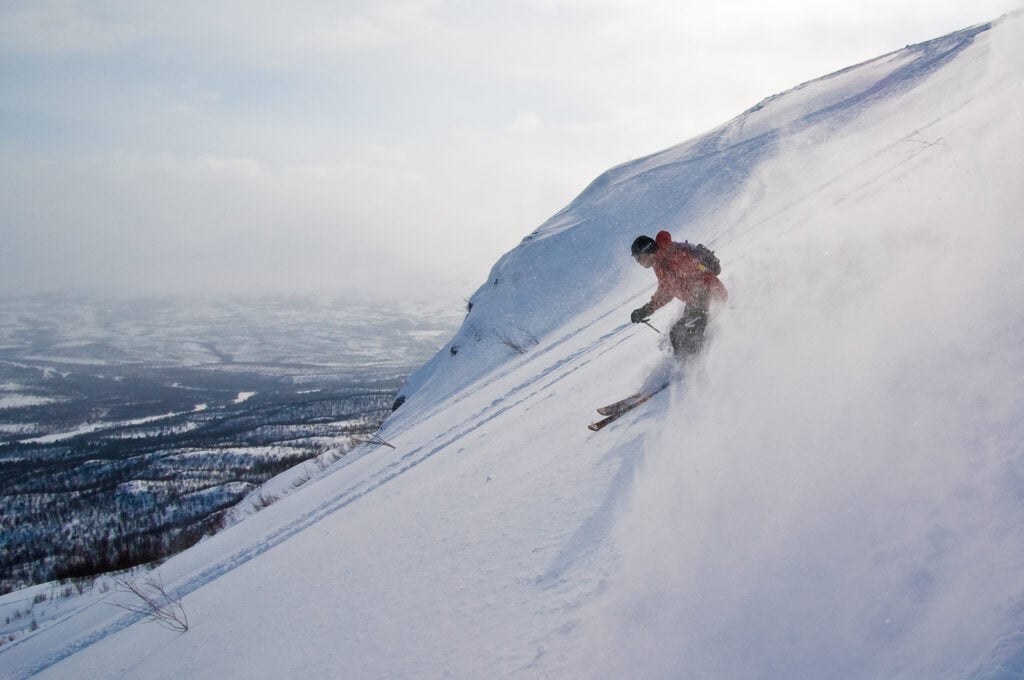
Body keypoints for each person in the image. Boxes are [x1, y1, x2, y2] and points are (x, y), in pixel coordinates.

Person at [630, 230, 727, 358]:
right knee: (679, 334)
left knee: (680, 333)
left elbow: (700, 274)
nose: (639, 262)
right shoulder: (659, 264)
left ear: (646, 251)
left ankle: (697, 367)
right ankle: (691, 367)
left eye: (638, 258)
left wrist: (705, 301)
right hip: (698, 300)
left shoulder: (672, 255)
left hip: (708, 294)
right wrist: (646, 309)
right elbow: (666, 291)